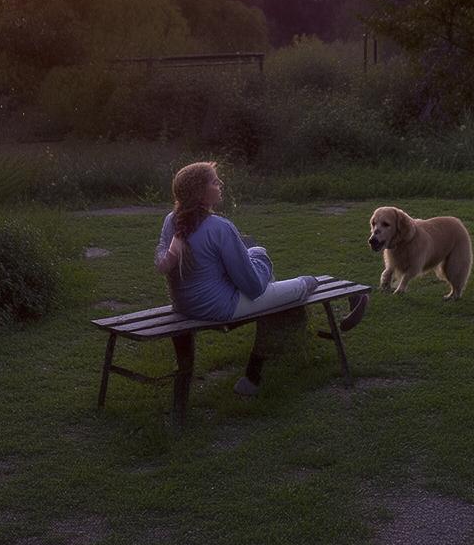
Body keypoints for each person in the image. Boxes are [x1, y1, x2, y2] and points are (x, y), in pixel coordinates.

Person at [155, 161, 367, 396]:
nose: (221, 184)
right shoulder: (219, 227)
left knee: (269, 286)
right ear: (201, 193)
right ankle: (348, 293)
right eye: (215, 181)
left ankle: (254, 376)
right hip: (219, 307)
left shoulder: (170, 220)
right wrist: (260, 255)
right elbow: (254, 287)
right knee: (301, 284)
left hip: (185, 306)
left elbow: (172, 259)